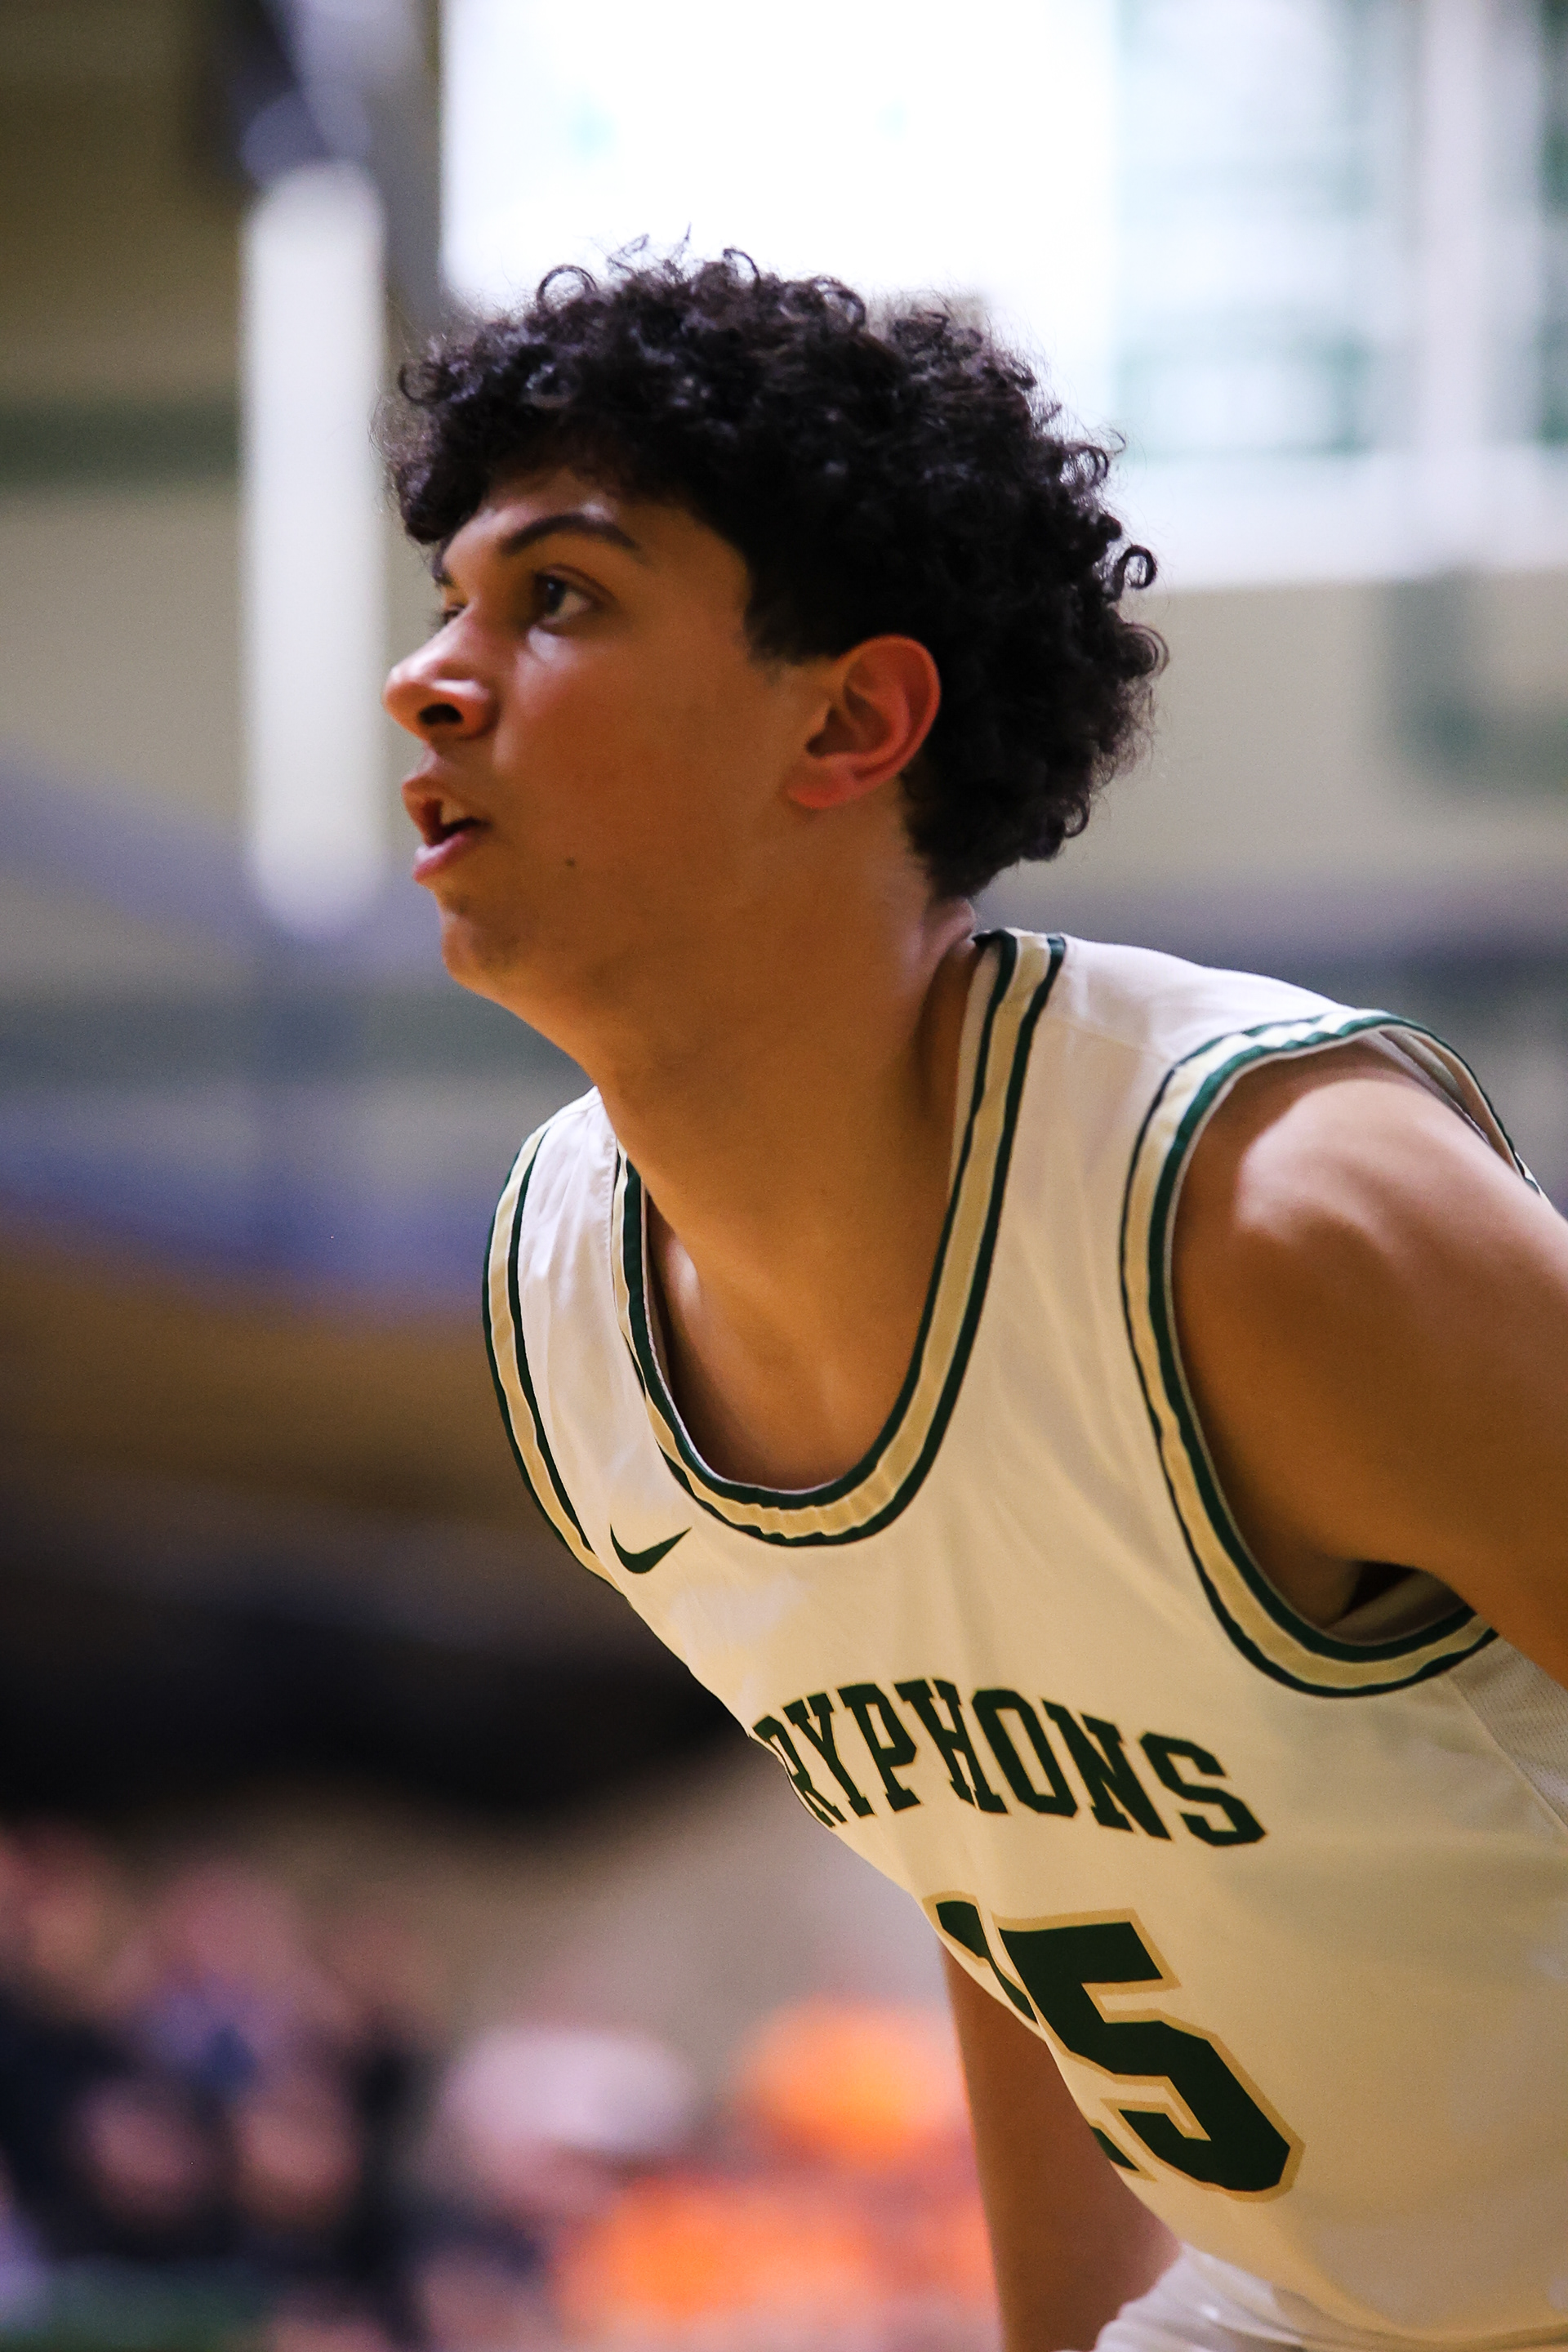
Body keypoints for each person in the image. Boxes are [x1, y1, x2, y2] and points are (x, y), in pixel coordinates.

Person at [381, 253, 1568, 2352]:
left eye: (559, 599)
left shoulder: (1276, 1219)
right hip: (1307, 2303)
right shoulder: (569, 1320)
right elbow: (1002, 1871)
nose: (431, 677)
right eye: (453, 601)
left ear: (848, 720)